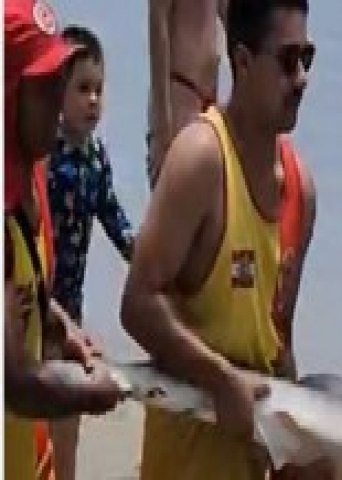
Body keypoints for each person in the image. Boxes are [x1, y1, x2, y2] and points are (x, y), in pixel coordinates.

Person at [121, 0, 330, 478]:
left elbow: (278, 345)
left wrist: (293, 448)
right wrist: (218, 378)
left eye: (308, 59)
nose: (301, 78)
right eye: (287, 59)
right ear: (240, 62)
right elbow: (137, 303)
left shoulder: (303, 190)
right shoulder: (200, 161)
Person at [4, 2, 123, 479]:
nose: (58, 101)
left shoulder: (30, 170)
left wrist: (59, 324)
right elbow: (13, 383)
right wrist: (94, 394)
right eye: (44, 87)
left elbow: (25, 289)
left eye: (61, 82)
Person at [45, 24, 135, 480]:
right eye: (82, 89)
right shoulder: (45, 158)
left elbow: (114, 218)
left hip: (71, 309)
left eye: (99, 90)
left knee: (68, 414)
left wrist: (145, 261)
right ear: (56, 93)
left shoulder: (96, 158)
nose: (94, 101)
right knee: (27, 401)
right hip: (35, 302)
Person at [146, 0, 228, 185]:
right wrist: (162, 127)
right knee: (178, 199)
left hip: (209, 102)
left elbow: (233, 18)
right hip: (180, 92)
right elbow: (158, 26)